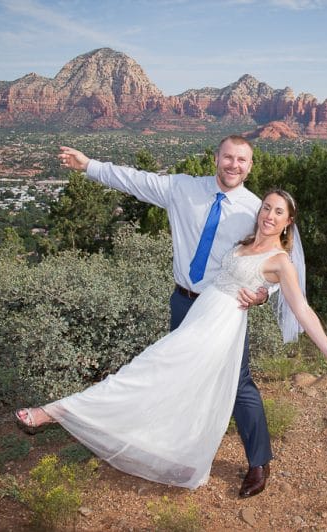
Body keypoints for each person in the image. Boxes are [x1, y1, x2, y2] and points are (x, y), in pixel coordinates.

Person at [15, 189, 327, 493]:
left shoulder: (280, 261)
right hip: (199, 316)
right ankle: (177, 451)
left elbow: (302, 309)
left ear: (288, 222)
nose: (269, 216)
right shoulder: (245, 242)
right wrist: (260, 293)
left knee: (147, 371)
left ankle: (54, 412)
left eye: (278, 212)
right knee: (177, 384)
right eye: (265, 208)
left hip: (218, 330)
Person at [50, 135, 273, 497]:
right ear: (216, 158)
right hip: (184, 302)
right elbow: (133, 179)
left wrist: (265, 293)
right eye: (228, 157)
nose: (234, 165)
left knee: (238, 384)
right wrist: (87, 165)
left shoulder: (255, 210)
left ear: (250, 165)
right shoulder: (182, 188)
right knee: (177, 377)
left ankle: (258, 463)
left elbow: (276, 258)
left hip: (225, 308)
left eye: (242, 160)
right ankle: (179, 453)